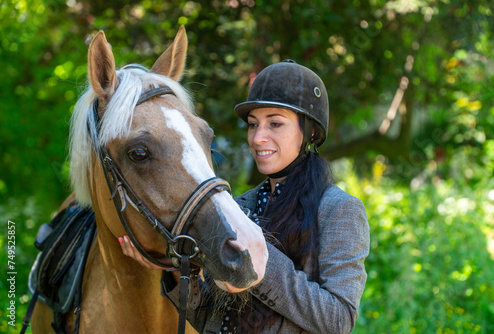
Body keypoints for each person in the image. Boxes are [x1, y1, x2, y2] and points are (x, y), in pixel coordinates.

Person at [119, 59, 370, 333]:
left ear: (309, 131)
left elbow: (339, 321)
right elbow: (212, 320)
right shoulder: (239, 207)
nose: (258, 137)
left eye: (275, 124)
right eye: (253, 125)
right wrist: (169, 269)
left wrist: (260, 262)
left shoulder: (340, 210)